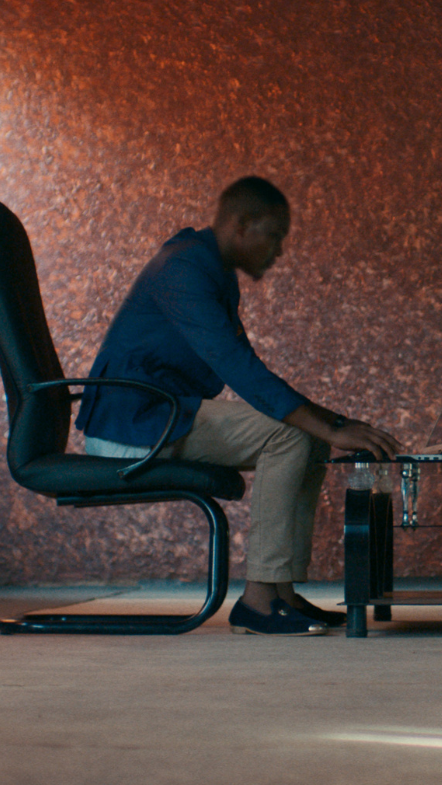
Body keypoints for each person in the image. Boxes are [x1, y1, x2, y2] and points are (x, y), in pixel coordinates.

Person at [76, 176, 402, 635]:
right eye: (274, 235)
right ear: (241, 224)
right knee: (289, 432)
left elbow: (250, 369)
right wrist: (331, 428)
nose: (279, 250)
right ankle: (258, 599)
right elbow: (240, 370)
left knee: (303, 433)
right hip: (133, 424)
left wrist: (333, 423)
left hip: (163, 414)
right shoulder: (185, 268)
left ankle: (282, 592)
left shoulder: (209, 268)